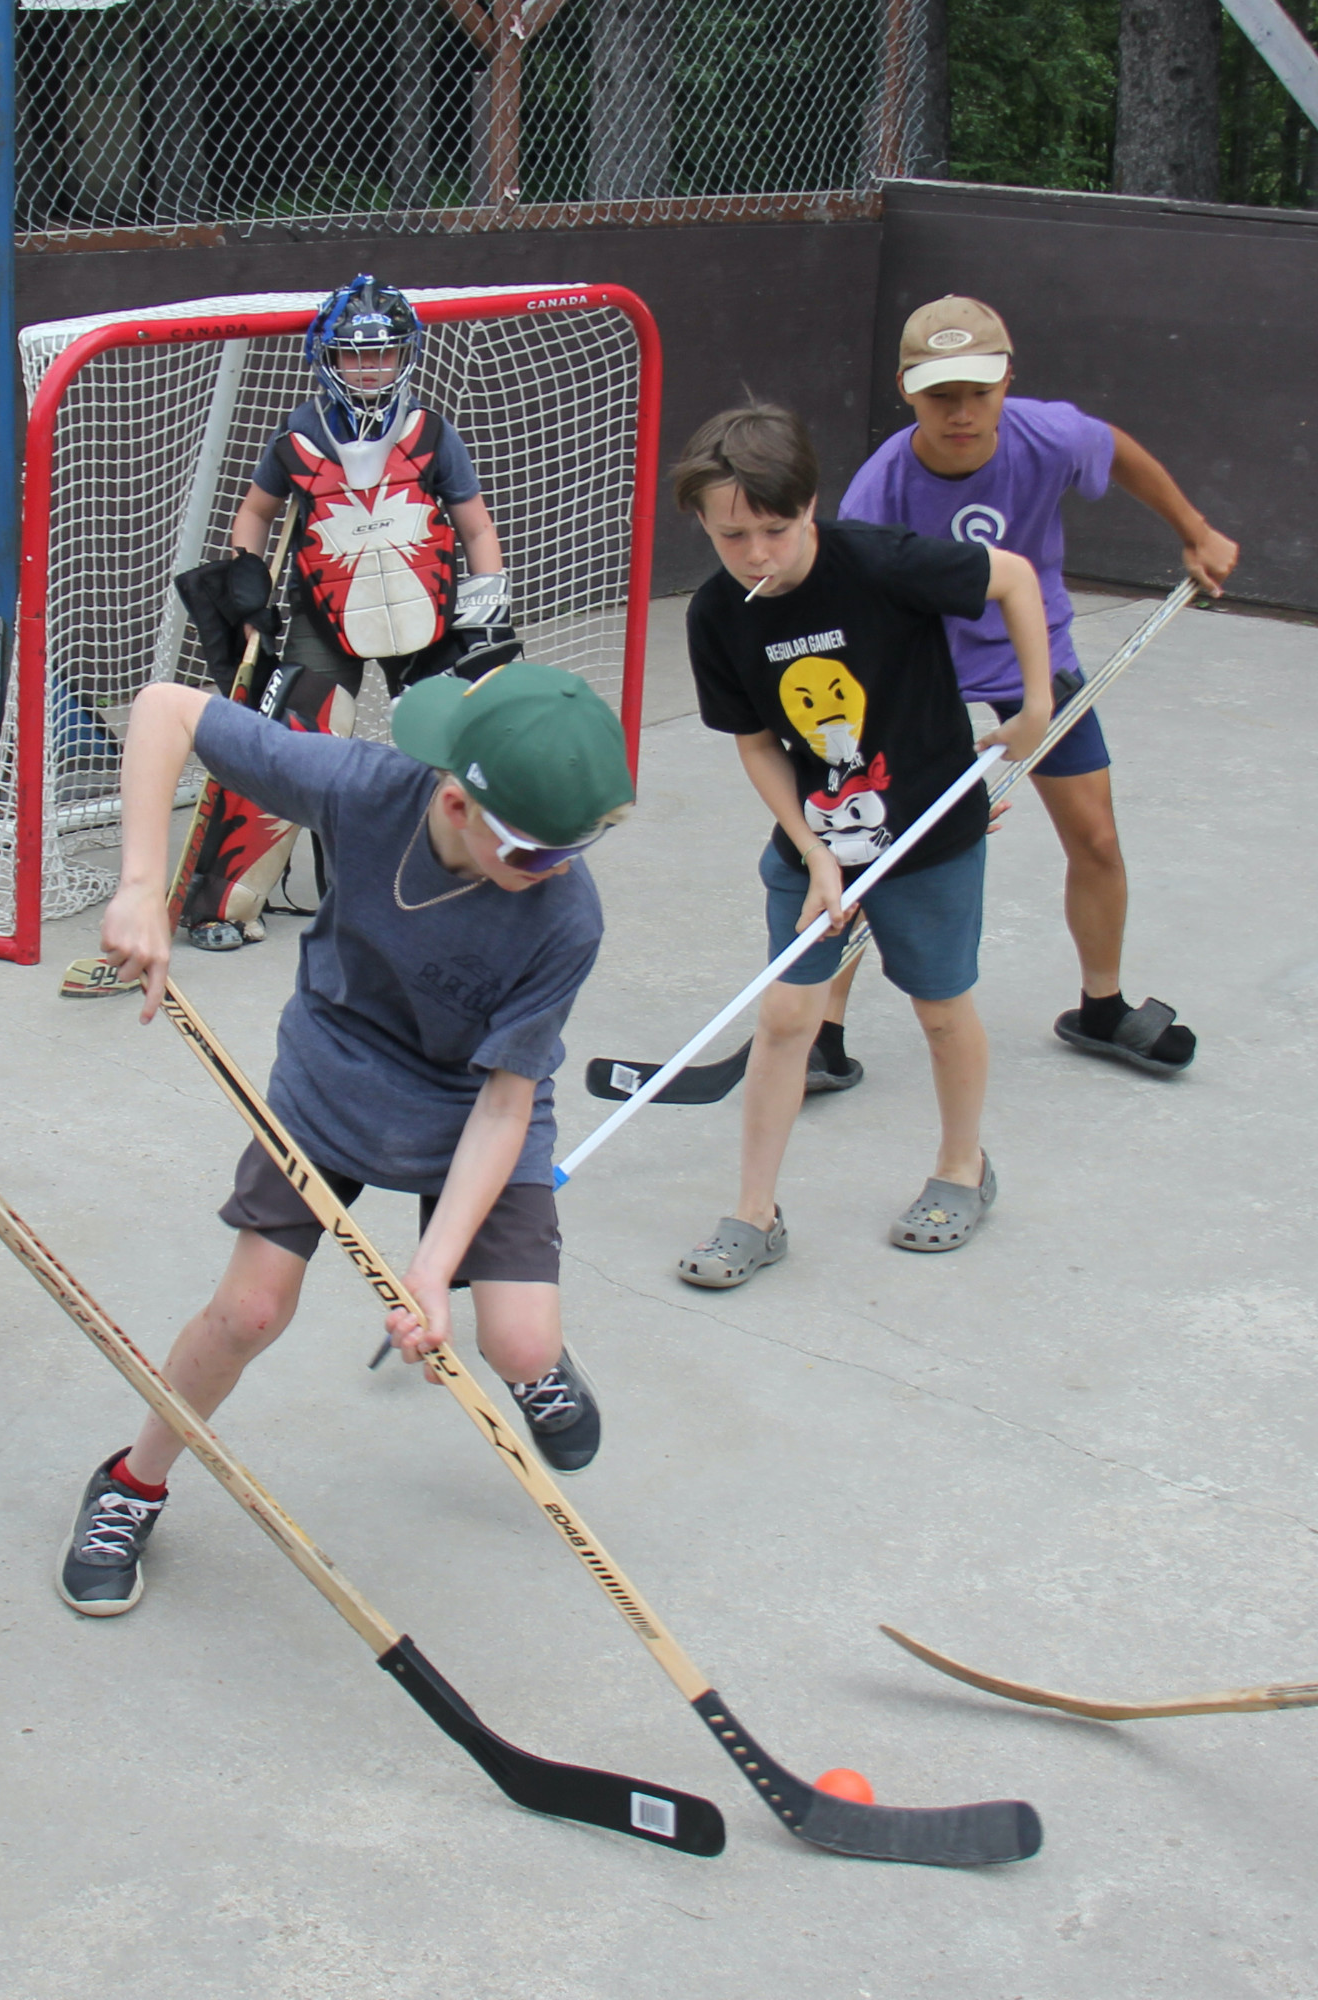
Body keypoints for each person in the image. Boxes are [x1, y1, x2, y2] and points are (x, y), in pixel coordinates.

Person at [57, 659, 635, 1614]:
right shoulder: (364, 788)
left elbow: (503, 1105)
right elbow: (166, 710)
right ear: (456, 802)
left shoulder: (565, 917)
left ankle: (538, 1373)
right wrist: (139, 887)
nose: (559, 872)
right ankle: (132, 1481)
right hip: (336, 1075)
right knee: (247, 1313)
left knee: (520, 1342)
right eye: (535, 852)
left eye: (576, 847)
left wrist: (430, 1269)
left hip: (473, 1109)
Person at [672, 403, 1052, 1287]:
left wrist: (1034, 706)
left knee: (941, 1009)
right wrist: (811, 848)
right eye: (734, 537)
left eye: (775, 530)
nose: (758, 555)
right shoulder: (717, 614)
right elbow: (758, 740)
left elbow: (1016, 577)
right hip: (820, 846)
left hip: (929, 834)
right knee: (784, 1017)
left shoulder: (882, 563)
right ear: (701, 523)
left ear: (811, 507)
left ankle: (965, 1168)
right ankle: (754, 1215)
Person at [823, 294, 1240, 1088]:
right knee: (871, 849)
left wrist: (1194, 530)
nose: (961, 413)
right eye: (941, 395)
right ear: (907, 389)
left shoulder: (1047, 435)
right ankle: (822, 1035)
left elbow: (1115, 451)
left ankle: (1103, 1008)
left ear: (1007, 380)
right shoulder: (877, 492)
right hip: (919, 677)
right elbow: (854, 616)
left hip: (1034, 664)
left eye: (978, 393)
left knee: (1096, 838)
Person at [177, 274, 518, 951]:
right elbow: (254, 511)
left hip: (426, 612)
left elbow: (476, 528)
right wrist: (248, 580)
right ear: (327, 358)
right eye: (353, 354)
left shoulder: (431, 434)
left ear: (406, 354)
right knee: (289, 737)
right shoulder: (299, 435)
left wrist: (487, 614)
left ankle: (469, 872)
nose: (369, 367)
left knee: (453, 733)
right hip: (322, 610)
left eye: (383, 352)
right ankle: (229, 900)